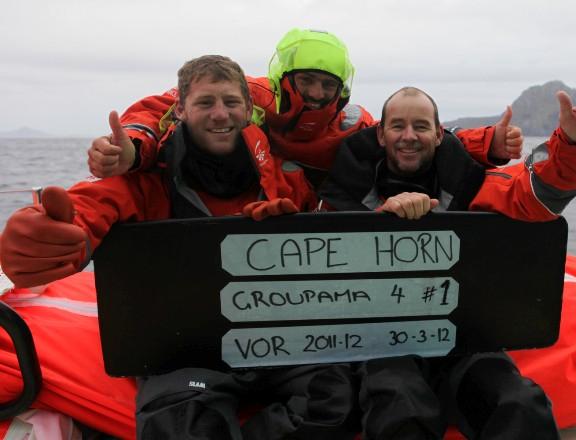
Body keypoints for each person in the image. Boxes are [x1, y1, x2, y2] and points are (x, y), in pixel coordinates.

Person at [0, 55, 358, 440]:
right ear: (181, 110)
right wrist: (51, 236)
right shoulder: (146, 178)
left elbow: (338, 246)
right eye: (205, 103)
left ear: (249, 110)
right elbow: (89, 206)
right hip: (183, 349)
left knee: (338, 400)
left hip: (278, 344)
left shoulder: (288, 179)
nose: (220, 114)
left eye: (231, 102)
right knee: (174, 422)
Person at [317, 86, 576, 440]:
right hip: (382, 344)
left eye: (421, 126)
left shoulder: (471, 181)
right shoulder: (340, 193)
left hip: (465, 340)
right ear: (381, 134)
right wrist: (383, 225)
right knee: (400, 406)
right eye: (398, 126)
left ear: (440, 134)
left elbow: (534, 194)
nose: (409, 136)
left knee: (519, 404)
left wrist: (573, 142)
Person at [86, 28, 523, 188]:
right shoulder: (250, 95)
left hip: (310, 211)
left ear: (341, 88)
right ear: (285, 78)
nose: (316, 93)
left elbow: (414, 135)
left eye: (326, 84)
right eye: (307, 80)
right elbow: (166, 108)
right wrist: (135, 148)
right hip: (248, 197)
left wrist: (491, 144)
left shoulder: (352, 122)